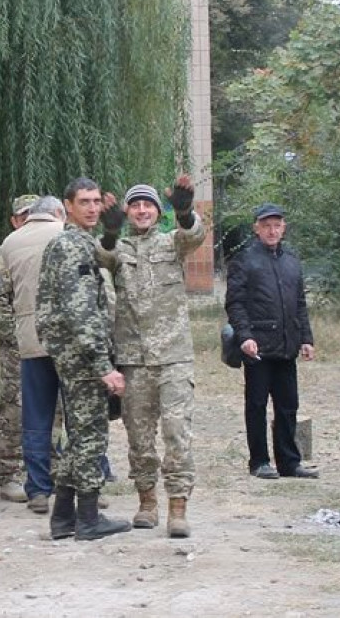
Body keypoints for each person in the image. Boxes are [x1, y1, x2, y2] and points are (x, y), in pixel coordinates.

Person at [97, 176, 205, 538]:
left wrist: (186, 211)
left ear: (159, 212)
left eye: (149, 205)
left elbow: (194, 236)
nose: (142, 210)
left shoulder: (171, 243)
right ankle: (147, 502)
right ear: (126, 212)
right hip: (133, 358)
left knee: (177, 434)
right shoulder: (119, 248)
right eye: (135, 205)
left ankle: (178, 506)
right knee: (139, 438)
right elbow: (102, 256)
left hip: (174, 357)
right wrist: (110, 232)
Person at [36, 178, 130, 541]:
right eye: (84, 202)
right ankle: (88, 519)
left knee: (78, 437)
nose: (92, 208)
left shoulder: (77, 243)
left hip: (73, 353)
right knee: (90, 435)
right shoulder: (71, 246)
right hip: (81, 356)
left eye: (96, 202)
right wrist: (102, 365)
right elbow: (80, 311)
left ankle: (62, 518)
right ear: (67, 206)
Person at [225, 202, 318, 480]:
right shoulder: (244, 260)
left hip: (287, 345)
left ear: (284, 228)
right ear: (256, 228)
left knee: (288, 405)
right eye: (266, 225)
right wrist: (245, 337)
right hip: (257, 347)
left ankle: (290, 462)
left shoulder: (291, 260)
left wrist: (306, 338)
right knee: (256, 405)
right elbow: (235, 303)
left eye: (277, 225)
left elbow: (300, 303)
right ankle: (259, 461)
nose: (272, 230)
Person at [0, 195, 66, 515]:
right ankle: (75, 486)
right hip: (68, 340)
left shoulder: (9, 243)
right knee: (76, 416)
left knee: (36, 418)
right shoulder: (68, 235)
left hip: (29, 340)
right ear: (58, 213)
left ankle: (37, 490)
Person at [0, 194, 38, 503]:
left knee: (51, 409)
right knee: (14, 407)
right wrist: (13, 336)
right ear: (14, 221)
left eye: (35, 214)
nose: (29, 220)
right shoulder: (1, 255)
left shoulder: (50, 245)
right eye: (23, 215)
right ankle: (8, 474)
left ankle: (47, 473)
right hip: (17, 346)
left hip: (46, 343)